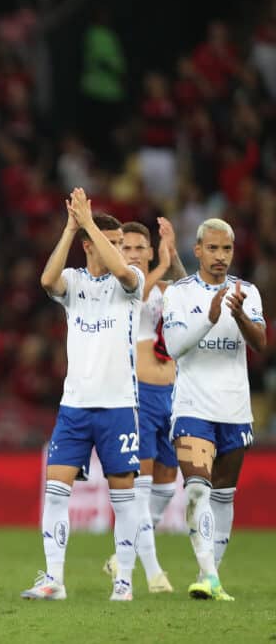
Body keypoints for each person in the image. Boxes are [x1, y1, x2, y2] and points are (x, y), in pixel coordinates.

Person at [21, 188, 144, 602]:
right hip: (74, 407)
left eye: (123, 246)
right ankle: (54, 578)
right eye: (113, 245)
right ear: (90, 246)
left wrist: (90, 223)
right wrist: (72, 227)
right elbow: (46, 279)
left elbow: (124, 272)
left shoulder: (132, 283)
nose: (122, 253)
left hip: (118, 407)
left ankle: (124, 580)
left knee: (123, 497)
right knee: (56, 490)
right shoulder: (73, 282)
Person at [162, 218, 266, 601]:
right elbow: (174, 346)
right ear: (198, 250)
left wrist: (237, 314)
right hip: (192, 407)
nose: (220, 256)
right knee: (195, 491)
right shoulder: (179, 293)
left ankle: (210, 576)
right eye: (213, 249)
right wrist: (209, 316)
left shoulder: (248, 292)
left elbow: (261, 344)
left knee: (223, 495)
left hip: (235, 408)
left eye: (227, 249)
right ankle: (208, 574)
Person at [102, 218, 187, 593]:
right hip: (138, 395)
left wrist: (173, 251)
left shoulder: (165, 286)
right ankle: (153, 574)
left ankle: (125, 555)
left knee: (168, 484)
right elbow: (138, 295)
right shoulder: (117, 288)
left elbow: (189, 291)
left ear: (151, 251)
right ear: (117, 252)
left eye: (141, 248)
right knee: (143, 484)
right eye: (126, 248)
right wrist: (163, 266)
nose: (133, 254)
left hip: (174, 393)